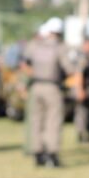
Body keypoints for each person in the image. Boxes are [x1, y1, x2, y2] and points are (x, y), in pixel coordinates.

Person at [22, 17, 73, 167]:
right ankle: (52, 153)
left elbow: (25, 64)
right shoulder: (60, 47)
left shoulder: (35, 45)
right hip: (52, 87)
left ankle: (37, 153)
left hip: (35, 86)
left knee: (36, 120)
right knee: (53, 120)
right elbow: (69, 69)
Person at [74, 36, 89, 142]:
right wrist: (80, 90)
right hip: (84, 88)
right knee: (82, 112)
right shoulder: (82, 58)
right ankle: (81, 133)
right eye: (88, 44)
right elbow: (79, 75)